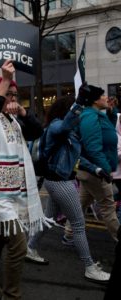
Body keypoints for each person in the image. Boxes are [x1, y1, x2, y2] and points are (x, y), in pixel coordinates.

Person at [0, 60, 48, 300]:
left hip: (16, 194)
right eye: (8, 94)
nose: (12, 98)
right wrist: (4, 82)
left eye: (16, 94)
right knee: (18, 246)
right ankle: (11, 295)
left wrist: (25, 112)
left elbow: (37, 132)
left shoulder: (16, 122)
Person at [25, 95, 110, 283]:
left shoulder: (69, 131)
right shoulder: (57, 125)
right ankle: (89, 267)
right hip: (59, 181)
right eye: (74, 109)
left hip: (57, 180)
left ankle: (29, 247)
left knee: (49, 219)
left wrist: (97, 169)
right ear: (67, 109)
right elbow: (64, 126)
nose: (79, 114)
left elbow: (77, 158)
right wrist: (79, 103)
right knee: (79, 224)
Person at [64, 83, 120, 243]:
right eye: (102, 95)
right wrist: (106, 169)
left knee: (80, 204)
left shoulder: (97, 114)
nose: (106, 97)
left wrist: (111, 110)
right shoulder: (90, 116)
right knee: (108, 208)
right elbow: (93, 147)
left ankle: (68, 233)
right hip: (96, 172)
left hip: (90, 173)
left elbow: (108, 127)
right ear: (95, 101)